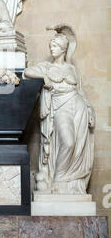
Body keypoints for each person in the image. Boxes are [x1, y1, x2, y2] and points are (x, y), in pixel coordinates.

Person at [23, 24, 95, 195]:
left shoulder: (72, 69)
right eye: (51, 46)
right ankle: (59, 179)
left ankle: (70, 184)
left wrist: (90, 109)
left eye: (55, 46)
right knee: (68, 142)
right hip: (60, 106)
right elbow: (27, 72)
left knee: (77, 145)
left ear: (63, 49)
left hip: (78, 107)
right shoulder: (46, 67)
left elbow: (81, 91)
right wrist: (44, 77)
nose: (51, 49)